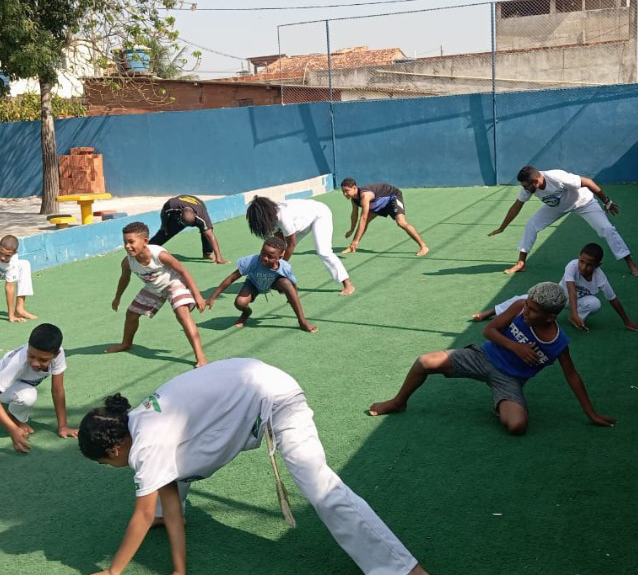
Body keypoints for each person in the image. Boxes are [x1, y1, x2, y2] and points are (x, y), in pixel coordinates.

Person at [78, 358, 425, 575]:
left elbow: (139, 515)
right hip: (256, 386)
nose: (112, 468)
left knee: (320, 487)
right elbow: (168, 494)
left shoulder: (147, 443)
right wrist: (179, 570)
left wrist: (112, 571)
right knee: (169, 485)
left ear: (116, 446)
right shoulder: (138, 420)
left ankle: (402, 568)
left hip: (277, 400)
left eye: (106, 462)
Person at [369, 282, 615, 435]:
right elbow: (489, 330)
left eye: (533, 310)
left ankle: (501, 404)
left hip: (509, 380)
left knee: (517, 427)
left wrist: (591, 413)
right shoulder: (519, 305)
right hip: (482, 356)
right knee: (425, 361)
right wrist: (516, 347)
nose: (526, 311)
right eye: (527, 305)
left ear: (550, 317)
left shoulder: (558, 343)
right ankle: (398, 402)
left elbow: (572, 376)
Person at [488, 165, 638, 276]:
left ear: (536, 181)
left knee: (606, 229)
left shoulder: (557, 177)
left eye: (526, 185)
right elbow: (517, 206)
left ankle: (630, 263)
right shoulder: (528, 186)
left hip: (583, 202)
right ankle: (521, 263)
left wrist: (607, 201)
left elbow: (588, 182)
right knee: (532, 224)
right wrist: (503, 227)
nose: (525, 189)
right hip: (557, 206)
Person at [473, 243, 638, 332]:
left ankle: (573, 319)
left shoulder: (600, 278)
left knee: (595, 304)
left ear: (598, 265)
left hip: (579, 302)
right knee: (526, 300)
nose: (583, 267)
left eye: (589, 264)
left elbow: (612, 299)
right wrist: (573, 311)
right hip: (558, 296)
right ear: (578, 258)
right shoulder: (572, 266)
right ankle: (490, 312)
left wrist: (626, 321)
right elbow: (570, 289)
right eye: (582, 261)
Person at [106, 221, 208, 367]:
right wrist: (117, 298)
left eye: (131, 242)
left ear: (145, 241)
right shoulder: (127, 262)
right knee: (131, 314)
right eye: (125, 242)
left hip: (173, 284)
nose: (127, 246)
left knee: (182, 314)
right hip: (153, 287)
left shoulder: (160, 255)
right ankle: (126, 344)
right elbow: (124, 278)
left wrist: (197, 295)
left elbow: (183, 271)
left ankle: (200, 356)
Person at [0, 323, 76, 454]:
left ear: (56, 354)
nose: (35, 363)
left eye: (43, 360)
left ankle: (14, 415)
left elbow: (57, 390)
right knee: (27, 396)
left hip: (20, 383)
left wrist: (63, 426)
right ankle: (16, 419)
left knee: (27, 393)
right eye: (31, 356)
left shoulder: (59, 354)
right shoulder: (19, 362)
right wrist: (12, 429)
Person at [246, 196, 355, 296]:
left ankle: (347, 283)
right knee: (276, 250)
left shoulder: (283, 217)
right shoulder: (269, 217)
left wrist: (280, 267)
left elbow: (291, 245)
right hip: (300, 223)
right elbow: (279, 244)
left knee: (323, 251)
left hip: (319, 215)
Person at [206, 236, 317, 332]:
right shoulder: (252, 261)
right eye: (263, 253)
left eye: (270, 256)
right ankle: (246, 313)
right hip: (253, 283)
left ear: (280, 257)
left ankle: (302, 321)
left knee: (287, 283)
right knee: (239, 302)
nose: (264, 258)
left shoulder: (285, 267)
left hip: (273, 283)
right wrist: (213, 297)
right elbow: (231, 278)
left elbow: (294, 284)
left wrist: (293, 296)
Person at [339, 178, 429, 256]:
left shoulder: (365, 196)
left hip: (392, 197)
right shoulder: (354, 199)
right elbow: (354, 214)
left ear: (354, 188)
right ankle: (353, 246)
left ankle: (423, 246)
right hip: (378, 202)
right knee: (364, 223)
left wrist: (355, 239)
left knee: (401, 223)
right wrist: (351, 229)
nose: (345, 194)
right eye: (343, 191)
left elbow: (363, 218)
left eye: (347, 191)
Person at [149, 195, 229, 264]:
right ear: (180, 214)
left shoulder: (202, 217)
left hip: (198, 204)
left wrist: (219, 257)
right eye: (185, 224)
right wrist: (164, 225)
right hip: (180, 207)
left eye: (189, 224)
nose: (186, 226)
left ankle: (207, 253)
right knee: (165, 232)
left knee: (206, 232)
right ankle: (147, 249)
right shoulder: (172, 205)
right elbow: (164, 212)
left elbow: (211, 236)